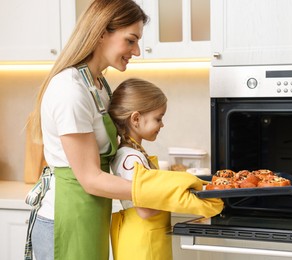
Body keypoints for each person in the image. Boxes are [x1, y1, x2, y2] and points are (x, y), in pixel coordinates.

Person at [24, 0, 224, 259]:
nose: (137, 51)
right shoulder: (70, 90)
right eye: (130, 41)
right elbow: (91, 178)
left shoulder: (99, 85)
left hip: (91, 215)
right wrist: (170, 190)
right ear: (101, 33)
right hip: (65, 218)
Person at [108, 78, 172, 259]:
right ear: (136, 119)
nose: (162, 124)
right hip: (143, 245)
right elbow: (145, 209)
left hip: (146, 239)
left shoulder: (133, 153)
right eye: (158, 118)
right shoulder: (131, 158)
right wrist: (178, 193)